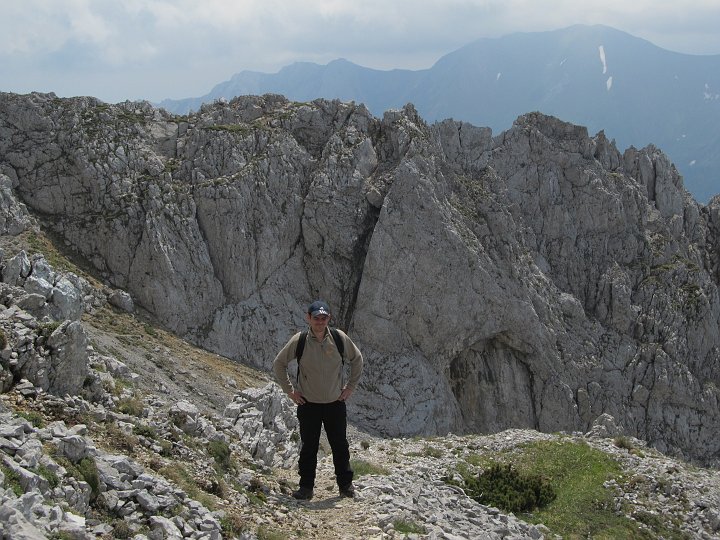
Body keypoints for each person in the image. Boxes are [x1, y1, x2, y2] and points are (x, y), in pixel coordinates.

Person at [273, 300, 364, 500]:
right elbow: (279, 364)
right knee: (309, 446)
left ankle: (345, 485)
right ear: (309, 318)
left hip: (335, 403)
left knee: (339, 444)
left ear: (328, 319)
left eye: (324, 318)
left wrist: (350, 387)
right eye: (316, 318)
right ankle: (306, 487)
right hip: (308, 404)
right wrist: (290, 392)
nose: (320, 322)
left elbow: (357, 359)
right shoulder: (301, 340)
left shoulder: (339, 338)